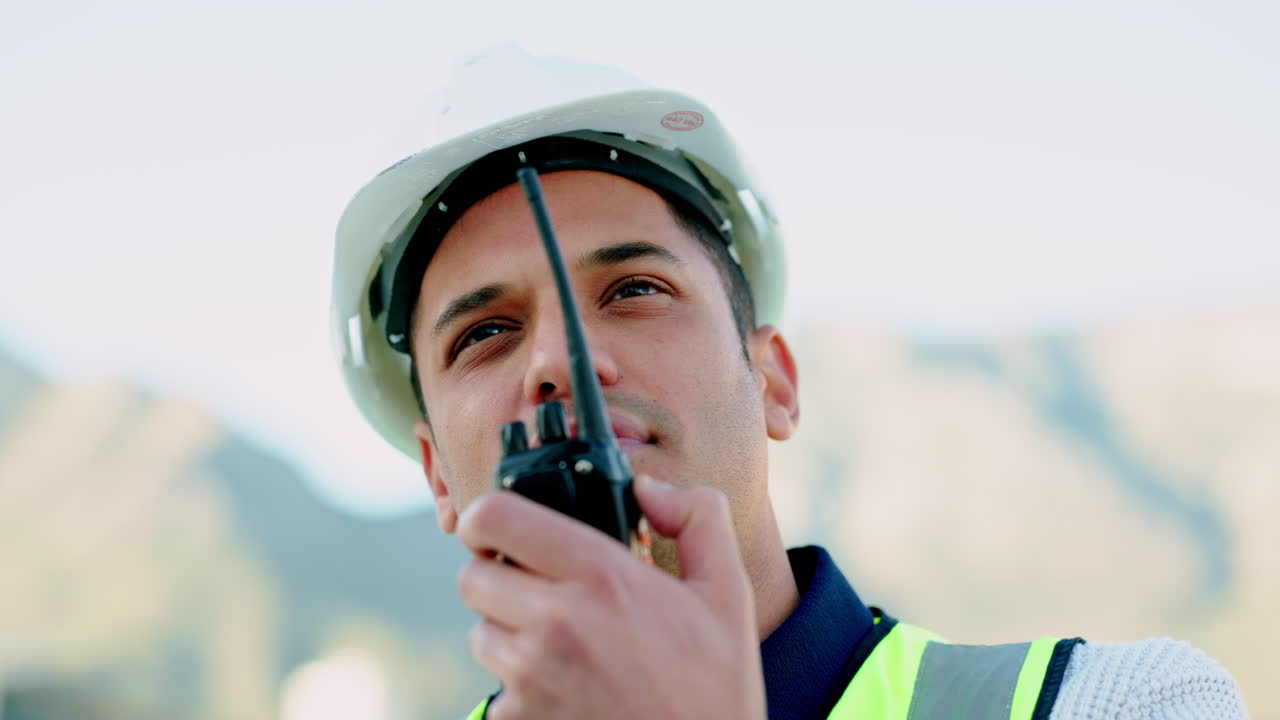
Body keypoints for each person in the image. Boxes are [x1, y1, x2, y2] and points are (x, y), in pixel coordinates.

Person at [330, 47, 1248, 719]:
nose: (557, 361)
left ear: (773, 379)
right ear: (438, 476)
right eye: (486, 333)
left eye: (635, 289)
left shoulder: (1122, 705)